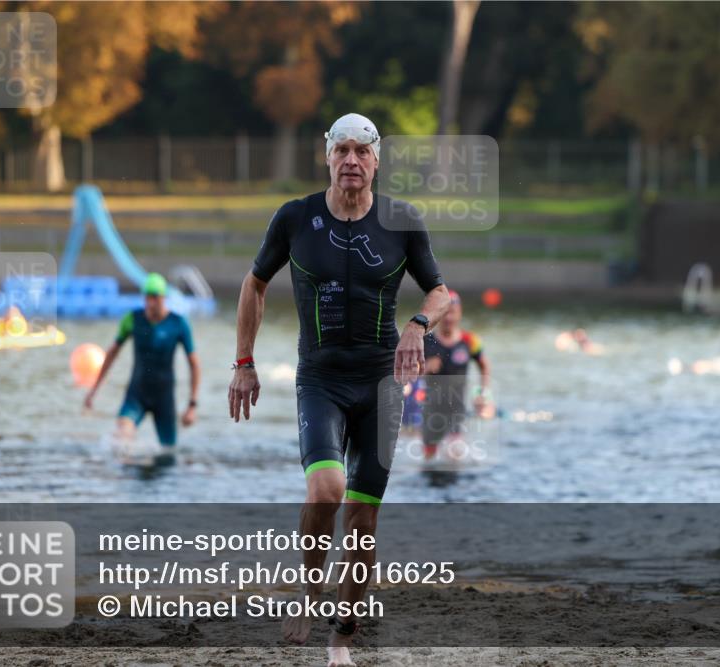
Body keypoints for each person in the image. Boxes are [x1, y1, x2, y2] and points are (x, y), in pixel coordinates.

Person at [227, 113, 450, 667]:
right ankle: (309, 593)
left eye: (362, 152)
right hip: (321, 379)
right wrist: (244, 363)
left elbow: (440, 293)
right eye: (342, 150)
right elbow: (254, 285)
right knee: (326, 491)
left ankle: (342, 639)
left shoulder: (402, 221)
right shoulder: (295, 219)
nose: (351, 161)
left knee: (364, 517)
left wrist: (417, 328)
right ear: (326, 156)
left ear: (377, 160)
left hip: (381, 383)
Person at [85, 273, 200, 463]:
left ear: (163, 297)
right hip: (136, 395)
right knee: (121, 441)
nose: (150, 302)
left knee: (168, 456)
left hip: (164, 399)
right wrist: (94, 390)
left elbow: (194, 364)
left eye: (154, 297)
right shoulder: (132, 319)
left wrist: (192, 405)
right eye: (146, 297)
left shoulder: (178, 324)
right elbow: (112, 353)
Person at [421, 289, 492, 461]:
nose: (448, 318)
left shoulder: (469, 341)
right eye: (444, 314)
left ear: (459, 313)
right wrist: (424, 368)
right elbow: (407, 373)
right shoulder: (425, 341)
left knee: (455, 454)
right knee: (429, 458)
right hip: (431, 409)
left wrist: (482, 395)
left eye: (452, 313)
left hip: (456, 409)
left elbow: (484, 367)